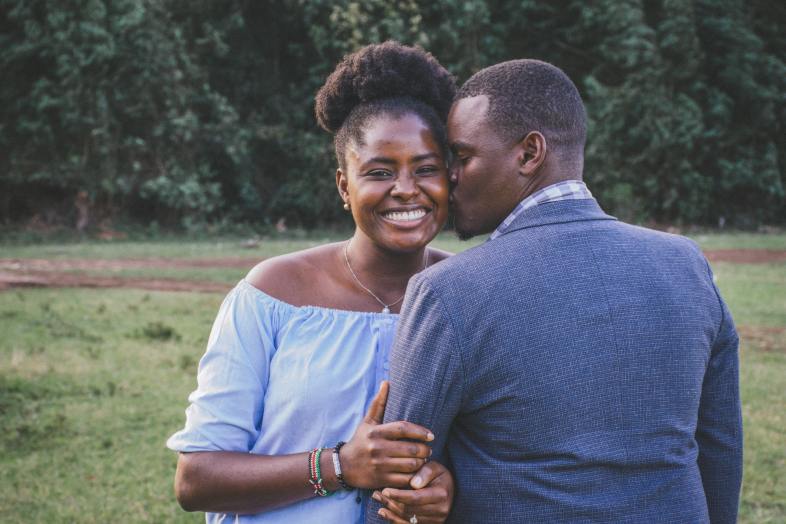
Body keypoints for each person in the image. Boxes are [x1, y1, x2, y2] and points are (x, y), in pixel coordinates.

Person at [368, 59, 742, 523]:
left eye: (462, 157)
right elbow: (720, 448)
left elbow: (400, 481)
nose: (450, 177)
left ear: (530, 153)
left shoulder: (449, 291)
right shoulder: (686, 264)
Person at [167, 41, 457, 523]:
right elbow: (197, 479)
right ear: (345, 185)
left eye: (426, 169)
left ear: (450, 177)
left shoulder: (465, 295)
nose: (407, 189)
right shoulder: (274, 293)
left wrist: (445, 490)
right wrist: (341, 465)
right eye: (380, 172)